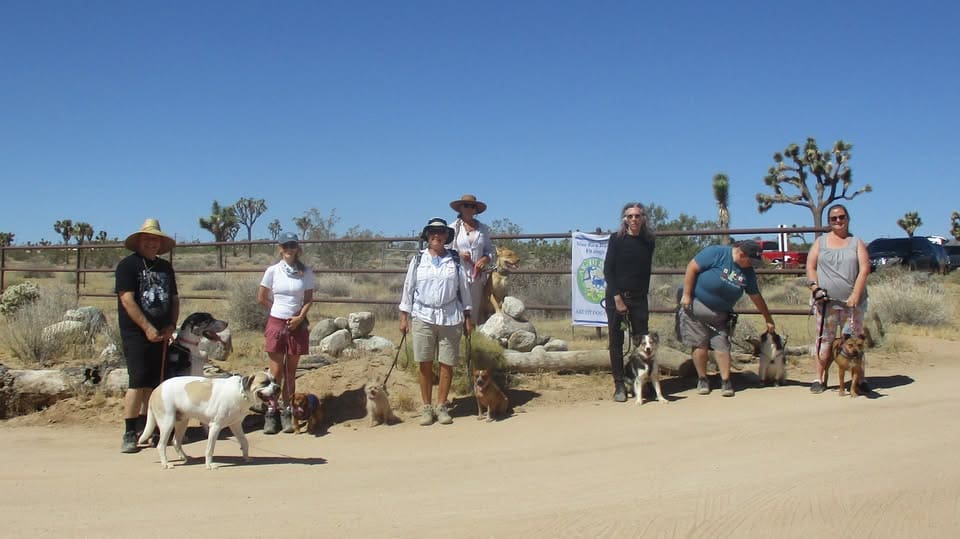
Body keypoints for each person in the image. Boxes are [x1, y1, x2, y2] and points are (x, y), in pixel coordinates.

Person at [398, 217, 474, 426]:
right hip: (423, 315)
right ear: (427, 235)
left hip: (450, 316)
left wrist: (467, 316)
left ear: (446, 237)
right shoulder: (418, 260)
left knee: (447, 363)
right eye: (433, 232)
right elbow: (408, 288)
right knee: (424, 362)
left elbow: (464, 291)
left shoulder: (455, 260)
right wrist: (404, 316)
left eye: (441, 232)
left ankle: (441, 406)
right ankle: (426, 407)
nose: (437, 236)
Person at [679, 240, 776, 397]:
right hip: (696, 307)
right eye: (750, 261)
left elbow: (756, 296)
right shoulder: (716, 253)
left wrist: (768, 318)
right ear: (741, 253)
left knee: (722, 344)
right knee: (699, 343)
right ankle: (702, 379)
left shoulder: (748, 272)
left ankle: (726, 381)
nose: (752, 265)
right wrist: (687, 294)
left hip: (721, 313)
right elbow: (692, 267)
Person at [115, 218, 179, 453]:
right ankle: (129, 431)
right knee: (137, 381)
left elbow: (173, 299)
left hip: (162, 332)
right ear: (139, 241)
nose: (151, 243)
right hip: (136, 332)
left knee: (156, 382)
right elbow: (127, 299)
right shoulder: (128, 266)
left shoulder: (165, 268)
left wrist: (171, 324)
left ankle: (149, 427)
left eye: (155, 240)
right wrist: (146, 327)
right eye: (148, 239)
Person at [805, 204, 870, 394]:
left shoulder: (856, 242)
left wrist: (856, 294)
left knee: (855, 341)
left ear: (847, 219)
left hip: (853, 304)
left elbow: (865, 268)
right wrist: (815, 287)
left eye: (841, 217)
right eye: (834, 219)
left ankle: (860, 379)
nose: (838, 221)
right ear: (829, 222)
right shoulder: (820, 243)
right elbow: (810, 266)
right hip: (827, 303)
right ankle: (819, 377)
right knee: (824, 340)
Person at [258, 232, 314, 434]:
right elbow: (262, 297)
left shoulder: (305, 272)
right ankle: (272, 413)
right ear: (280, 248)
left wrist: (299, 317)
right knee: (276, 372)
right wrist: (277, 311)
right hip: (277, 322)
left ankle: (289, 411)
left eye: (293, 245)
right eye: (285, 245)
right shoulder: (272, 271)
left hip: (297, 324)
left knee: (291, 372)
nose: (289, 249)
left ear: (297, 248)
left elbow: (308, 299)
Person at [602, 202, 656, 402]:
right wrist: (617, 297)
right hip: (617, 296)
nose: (634, 219)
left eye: (637, 215)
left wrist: (642, 295)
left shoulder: (649, 241)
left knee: (642, 340)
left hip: (639, 298)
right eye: (630, 216)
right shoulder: (616, 240)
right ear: (624, 219)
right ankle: (619, 385)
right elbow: (608, 270)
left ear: (643, 218)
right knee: (616, 342)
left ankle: (640, 380)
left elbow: (645, 270)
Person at [448, 194, 495, 325]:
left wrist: (484, 259)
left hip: (477, 277)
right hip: (458, 275)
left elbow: (489, 251)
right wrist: (459, 254)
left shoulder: (483, 229)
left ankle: (472, 339)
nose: (469, 208)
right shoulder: (452, 228)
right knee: (458, 308)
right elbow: (445, 251)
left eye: (472, 206)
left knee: (474, 310)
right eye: (466, 205)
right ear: (460, 208)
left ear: (476, 210)